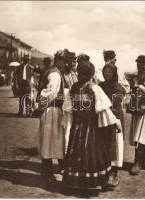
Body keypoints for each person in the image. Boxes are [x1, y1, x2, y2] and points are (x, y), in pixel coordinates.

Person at [62, 60, 121, 190]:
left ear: (88, 75)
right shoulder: (81, 88)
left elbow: (103, 109)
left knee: (86, 153)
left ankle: (81, 182)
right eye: (80, 73)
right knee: (89, 153)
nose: (80, 76)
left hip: (86, 127)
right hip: (86, 128)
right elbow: (69, 109)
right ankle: (81, 182)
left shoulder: (91, 88)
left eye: (83, 74)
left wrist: (115, 122)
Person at [37, 50, 66, 184]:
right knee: (49, 140)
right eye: (63, 60)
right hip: (51, 110)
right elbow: (51, 93)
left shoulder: (53, 71)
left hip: (50, 109)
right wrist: (41, 107)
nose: (64, 63)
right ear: (57, 60)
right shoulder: (55, 74)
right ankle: (47, 173)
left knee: (49, 139)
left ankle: (47, 171)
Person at [99, 63, 125, 187]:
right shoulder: (101, 86)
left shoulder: (118, 87)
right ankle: (104, 171)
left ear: (114, 74)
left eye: (110, 72)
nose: (107, 74)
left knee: (115, 144)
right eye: (105, 72)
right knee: (104, 144)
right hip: (103, 119)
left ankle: (114, 173)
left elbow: (115, 103)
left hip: (115, 119)